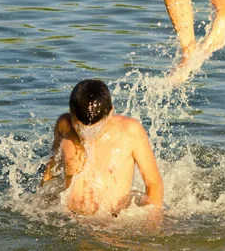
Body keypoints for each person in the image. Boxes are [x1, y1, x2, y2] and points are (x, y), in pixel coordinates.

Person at [41, 79, 164, 216]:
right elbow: (53, 167)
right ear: (71, 112)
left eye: (96, 127)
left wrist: (152, 222)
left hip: (113, 220)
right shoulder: (64, 125)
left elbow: (154, 183)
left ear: (110, 113)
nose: (86, 132)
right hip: (71, 217)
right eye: (79, 125)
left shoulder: (130, 131)